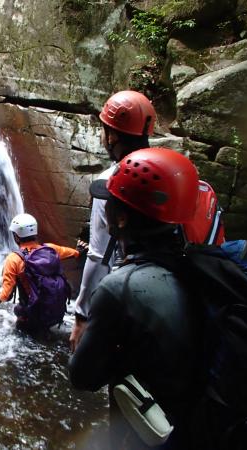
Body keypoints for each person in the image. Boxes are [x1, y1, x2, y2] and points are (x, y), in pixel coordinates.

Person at [68, 147, 203, 450]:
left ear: (121, 218)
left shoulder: (119, 288)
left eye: (110, 202)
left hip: (153, 431)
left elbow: (82, 376)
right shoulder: (201, 265)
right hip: (200, 422)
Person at [70, 90, 156, 351]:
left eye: (103, 129)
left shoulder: (111, 183)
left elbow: (98, 255)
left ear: (112, 136)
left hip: (127, 289)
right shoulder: (164, 171)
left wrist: (81, 315)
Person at [0, 213, 87, 333]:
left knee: (18, 311)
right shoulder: (51, 249)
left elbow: (6, 295)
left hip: (29, 316)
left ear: (16, 237)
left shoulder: (13, 259)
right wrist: (79, 250)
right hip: (52, 311)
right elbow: (73, 253)